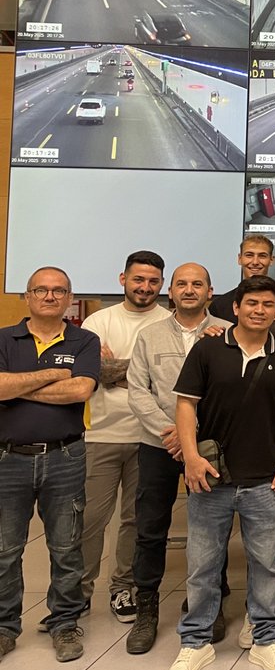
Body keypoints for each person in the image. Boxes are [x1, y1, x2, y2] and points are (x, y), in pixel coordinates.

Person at [167, 276, 275, 670]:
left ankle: (267, 639)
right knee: (203, 565)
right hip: (211, 478)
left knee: (266, 565)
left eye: (267, 304)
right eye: (251, 303)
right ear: (236, 307)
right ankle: (195, 644)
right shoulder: (208, 348)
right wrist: (191, 458)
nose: (259, 310)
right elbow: (185, 406)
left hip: (266, 478)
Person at [125, 263, 230, 655]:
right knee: (150, 527)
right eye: (181, 284)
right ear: (171, 291)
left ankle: (211, 601)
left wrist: (195, 442)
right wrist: (174, 435)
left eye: (197, 284)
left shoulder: (227, 333)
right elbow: (138, 390)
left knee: (212, 528)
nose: (189, 290)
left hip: (210, 448)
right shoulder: (149, 335)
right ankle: (147, 609)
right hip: (159, 446)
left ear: (210, 290)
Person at [0, 267, 100, 663]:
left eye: (59, 291)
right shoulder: (4, 338)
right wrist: (53, 375)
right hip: (9, 458)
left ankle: (64, 623)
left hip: (66, 455)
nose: (49, 296)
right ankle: (6, 627)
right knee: (5, 549)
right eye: (41, 290)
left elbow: (81, 389)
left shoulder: (84, 339)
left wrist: (19, 385)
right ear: (28, 296)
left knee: (66, 547)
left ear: (69, 298)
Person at [79, 250, 170, 626]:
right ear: (123, 279)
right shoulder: (98, 320)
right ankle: (77, 594)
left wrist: (118, 369)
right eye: (138, 279)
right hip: (100, 434)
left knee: (135, 520)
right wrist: (139, 372)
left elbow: (166, 380)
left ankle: (122, 588)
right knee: (90, 519)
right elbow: (90, 374)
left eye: (152, 281)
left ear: (161, 285)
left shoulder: (168, 321)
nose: (145, 287)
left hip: (150, 438)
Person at [208, 237, 275, 323]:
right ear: (240, 259)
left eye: (262, 256)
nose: (255, 262)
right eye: (249, 255)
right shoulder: (219, 306)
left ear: (271, 260)